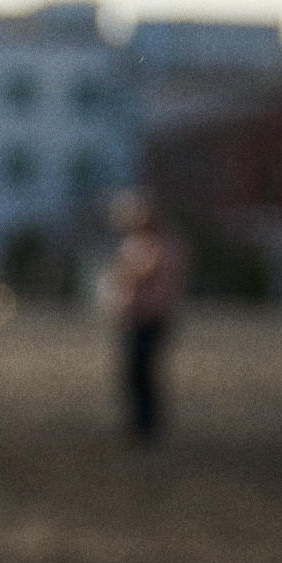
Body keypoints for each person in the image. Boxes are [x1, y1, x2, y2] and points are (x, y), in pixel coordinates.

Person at [101, 189, 188, 443]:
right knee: (132, 373)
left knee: (143, 372)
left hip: (152, 318)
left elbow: (138, 273)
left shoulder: (163, 244)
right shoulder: (136, 243)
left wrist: (124, 273)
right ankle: (138, 424)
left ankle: (148, 426)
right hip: (132, 318)